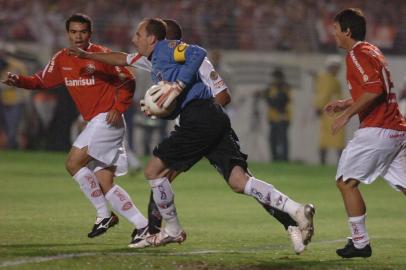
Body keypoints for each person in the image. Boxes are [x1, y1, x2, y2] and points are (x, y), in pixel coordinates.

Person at [69, 19, 310, 254]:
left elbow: (222, 95)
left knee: (156, 172)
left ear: (163, 40)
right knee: (238, 181)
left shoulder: (184, 56)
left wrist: (184, 96)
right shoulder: (154, 61)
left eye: (140, 35)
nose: (135, 40)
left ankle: (165, 231)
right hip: (199, 121)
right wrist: (163, 108)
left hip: (202, 121)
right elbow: (124, 58)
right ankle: (295, 212)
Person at [1, 13, 148, 243]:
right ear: (67, 33)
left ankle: (103, 215)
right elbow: (40, 81)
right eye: (73, 32)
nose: (78, 36)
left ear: (90, 33)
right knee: (105, 183)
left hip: (107, 120)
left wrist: (119, 107)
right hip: (98, 122)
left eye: (83, 32)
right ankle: (143, 226)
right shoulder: (62, 58)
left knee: (73, 162)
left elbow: (128, 79)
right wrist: (18, 81)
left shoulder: (100, 54)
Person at [325, 8, 406, 258]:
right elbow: (374, 89)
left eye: (336, 29)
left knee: (346, 182)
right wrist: (347, 102)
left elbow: (374, 91)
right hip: (396, 129)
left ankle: (360, 243)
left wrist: (346, 116)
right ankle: (359, 242)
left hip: (378, 130)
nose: (333, 33)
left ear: (347, 31)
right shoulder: (372, 50)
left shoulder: (356, 54)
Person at [314, 56, 345, 165]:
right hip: (332, 114)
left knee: (328, 140)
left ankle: (326, 163)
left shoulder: (328, 78)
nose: (337, 70)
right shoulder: (329, 79)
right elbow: (324, 94)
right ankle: (334, 163)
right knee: (335, 140)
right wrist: (319, 106)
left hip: (332, 113)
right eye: (335, 67)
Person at [262, 68, 291, 161]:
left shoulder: (285, 87)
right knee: (273, 140)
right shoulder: (271, 88)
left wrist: (269, 98)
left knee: (282, 140)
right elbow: (268, 98)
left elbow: (281, 101)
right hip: (273, 118)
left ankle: (284, 159)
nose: (275, 80)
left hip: (283, 118)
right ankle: (274, 159)